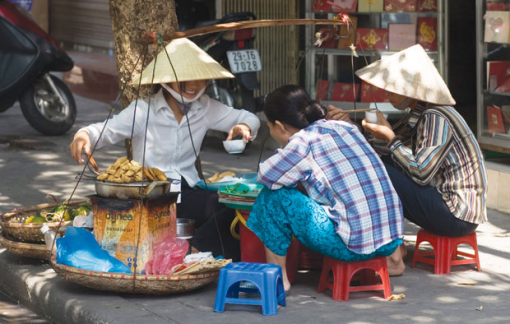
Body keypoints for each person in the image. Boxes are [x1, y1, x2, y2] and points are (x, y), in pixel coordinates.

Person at [70, 38, 260, 260]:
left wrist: (243, 126)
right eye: (186, 79)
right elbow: (107, 130)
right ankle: (195, 251)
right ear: (166, 81)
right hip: (151, 194)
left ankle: (195, 250)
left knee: (236, 208)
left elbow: (249, 117)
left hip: (187, 191)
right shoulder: (143, 110)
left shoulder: (205, 107)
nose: (194, 85)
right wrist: (84, 135)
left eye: (200, 79)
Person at [247, 85, 405, 291]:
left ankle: (278, 279)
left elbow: (266, 176)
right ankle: (394, 260)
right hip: (390, 240)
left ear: (279, 125)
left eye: (269, 126)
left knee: (272, 198)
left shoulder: (301, 142)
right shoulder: (345, 127)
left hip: (353, 247)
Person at [330, 44, 487, 239]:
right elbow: (384, 150)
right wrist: (353, 126)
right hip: (447, 207)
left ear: (412, 91)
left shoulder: (435, 116)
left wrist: (390, 137)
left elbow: (421, 173)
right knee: (376, 163)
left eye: (393, 90)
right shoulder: (418, 113)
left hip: (457, 215)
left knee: (375, 170)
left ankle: (380, 240)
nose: (388, 94)